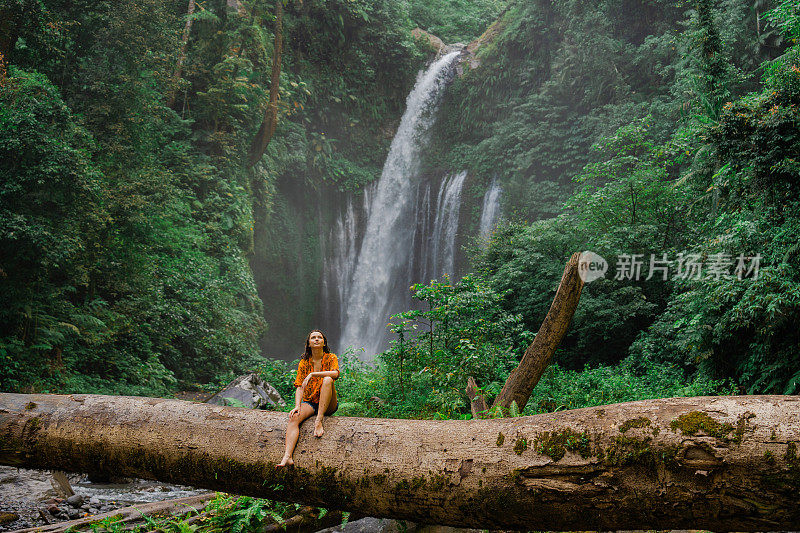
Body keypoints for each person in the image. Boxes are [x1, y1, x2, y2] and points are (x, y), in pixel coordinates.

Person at [276, 329, 339, 468]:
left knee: (328, 380)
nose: (316, 339)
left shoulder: (331, 358)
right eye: (313, 338)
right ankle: (287, 456)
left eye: (319, 337)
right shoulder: (304, 363)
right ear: (309, 344)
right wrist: (297, 406)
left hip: (328, 403)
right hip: (310, 402)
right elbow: (299, 386)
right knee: (294, 418)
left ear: (324, 342)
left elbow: (335, 374)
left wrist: (314, 374)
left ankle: (319, 420)